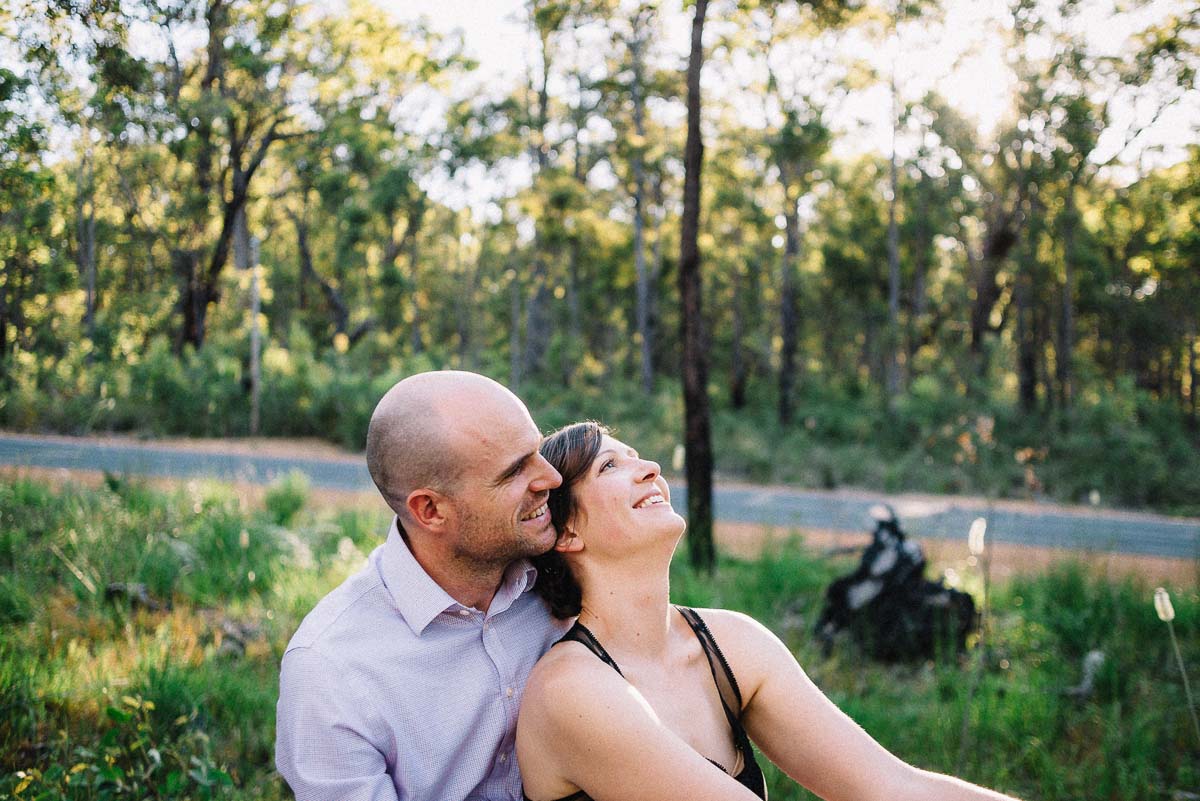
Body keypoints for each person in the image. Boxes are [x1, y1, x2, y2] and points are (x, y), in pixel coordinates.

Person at [516, 421, 1022, 801]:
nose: (650, 468)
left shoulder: (730, 644)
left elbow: (893, 788)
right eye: (610, 466)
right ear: (567, 533)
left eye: (636, 456)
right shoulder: (570, 691)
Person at [276, 371, 570, 801]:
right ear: (430, 510)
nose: (551, 479)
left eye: (538, 451)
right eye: (514, 472)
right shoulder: (330, 672)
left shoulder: (563, 573)